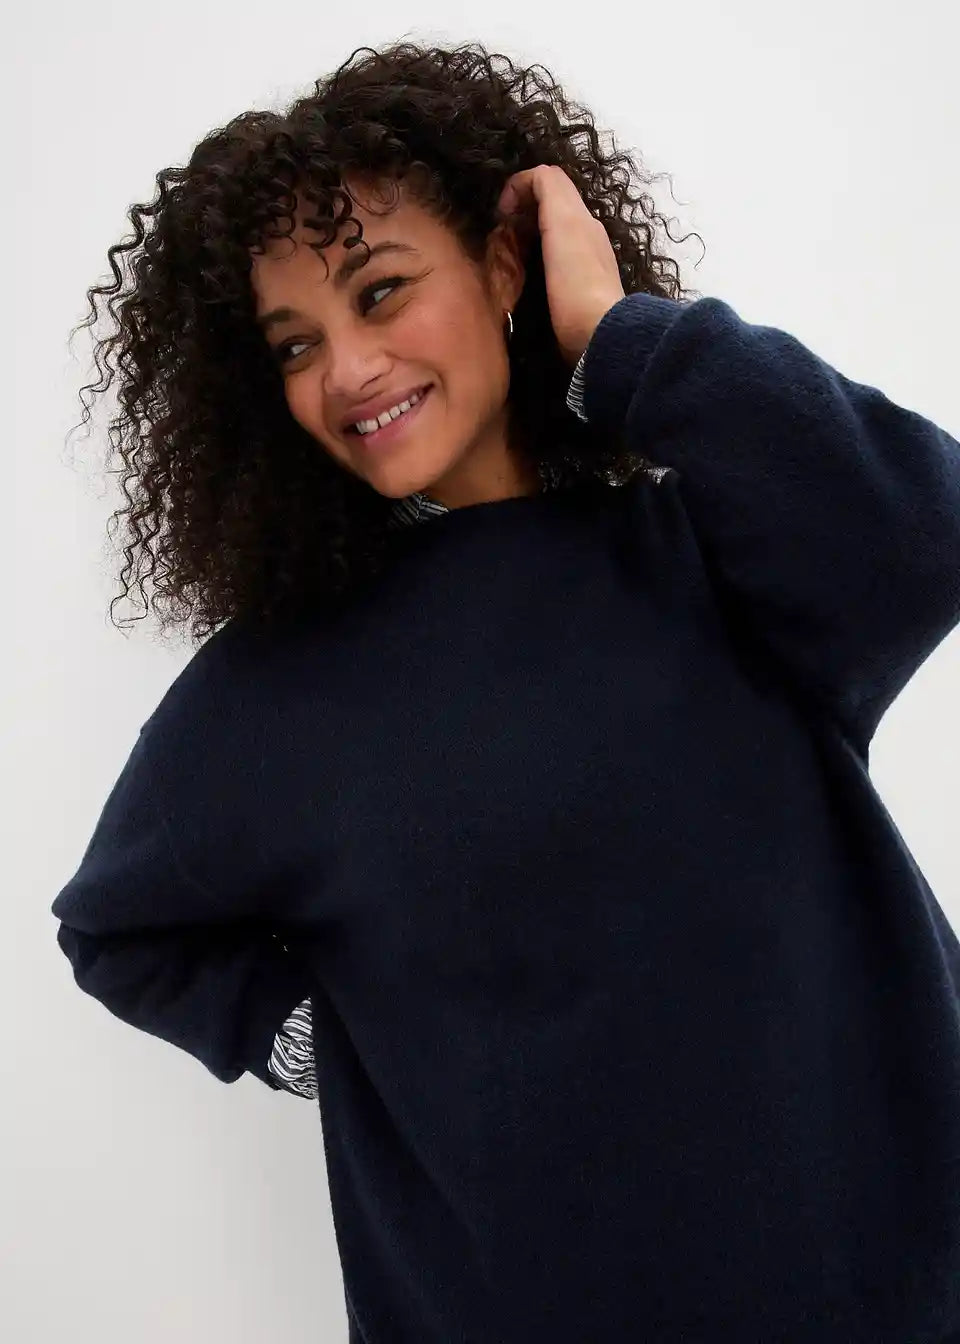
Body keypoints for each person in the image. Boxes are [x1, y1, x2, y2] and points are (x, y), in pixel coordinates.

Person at [51, 38, 960, 1344]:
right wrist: (324, 1037)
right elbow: (116, 927)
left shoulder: (709, 551)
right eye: (295, 344)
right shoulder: (277, 685)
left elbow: (924, 534)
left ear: (499, 266)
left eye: (380, 290)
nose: (346, 369)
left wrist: (620, 340)